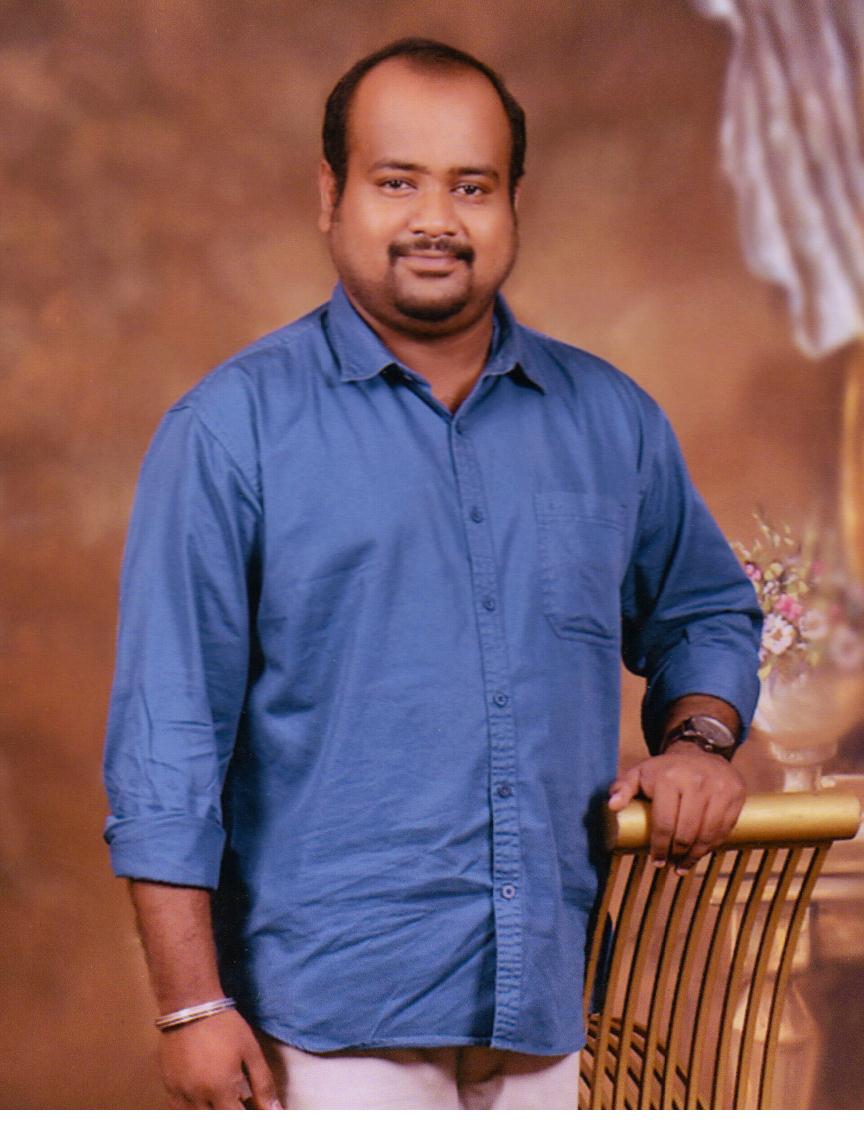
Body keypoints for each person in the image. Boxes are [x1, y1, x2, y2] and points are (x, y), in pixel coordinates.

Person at [103, 37, 761, 1110]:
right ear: (331, 195)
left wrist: (699, 739)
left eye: (472, 185)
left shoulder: (613, 420)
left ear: (514, 203)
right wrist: (189, 1005)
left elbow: (703, 611)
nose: (437, 219)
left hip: (544, 1006)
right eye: (397, 181)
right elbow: (164, 741)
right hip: (321, 1025)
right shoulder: (230, 431)